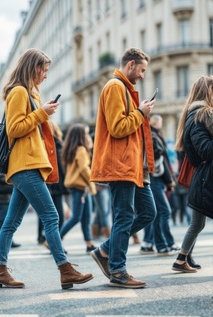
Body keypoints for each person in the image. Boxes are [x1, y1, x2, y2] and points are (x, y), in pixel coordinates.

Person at [0, 48, 93, 289]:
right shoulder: (18, 92)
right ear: (33, 68)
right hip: (25, 165)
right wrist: (41, 113)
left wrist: (41, 111)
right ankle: (65, 269)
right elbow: (14, 129)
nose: (46, 75)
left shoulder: (29, 94)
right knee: (51, 216)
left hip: (28, 165)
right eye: (44, 70)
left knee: (11, 222)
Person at [90, 47, 157, 288]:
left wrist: (140, 112)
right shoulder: (115, 87)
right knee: (124, 215)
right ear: (130, 65)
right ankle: (118, 269)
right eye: (141, 70)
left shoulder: (125, 90)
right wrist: (140, 112)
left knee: (149, 212)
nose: (142, 75)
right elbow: (118, 127)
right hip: (120, 164)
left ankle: (106, 250)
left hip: (132, 166)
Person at [172, 75, 213, 273]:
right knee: (196, 224)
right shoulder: (200, 116)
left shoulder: (195, 115)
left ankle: (182, 259)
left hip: (203, 179)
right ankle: (181, 259)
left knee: (197, 224)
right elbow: (205, 149)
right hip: (206, 179)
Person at [140, 114, 179, 255]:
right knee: (163, 211)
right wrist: (169, 180)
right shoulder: (153, 136)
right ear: (156, 122)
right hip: (155, 178)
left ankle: (156, 244)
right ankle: (164, 244)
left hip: (154, 178)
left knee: (155, 212)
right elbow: (161, 160)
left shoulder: (151, 135)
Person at [60, 124, 97, 253]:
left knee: (86, 217)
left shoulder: (72, 149)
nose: (88, 136)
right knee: (76, 217)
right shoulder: (81, 149)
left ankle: (89, 244)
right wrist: (92, 182)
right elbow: (84, 168)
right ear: (81, 135)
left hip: (80, 187)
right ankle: (54, 241)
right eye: (86, 133)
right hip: (81, 187)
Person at [38, 119, 69, 248]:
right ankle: (53, 243)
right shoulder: (55, 144)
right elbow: (61, 168)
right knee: (57, 216)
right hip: (55, 184)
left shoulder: (46, 144)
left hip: (51, 183)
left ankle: (48, 240)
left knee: (48, 215)